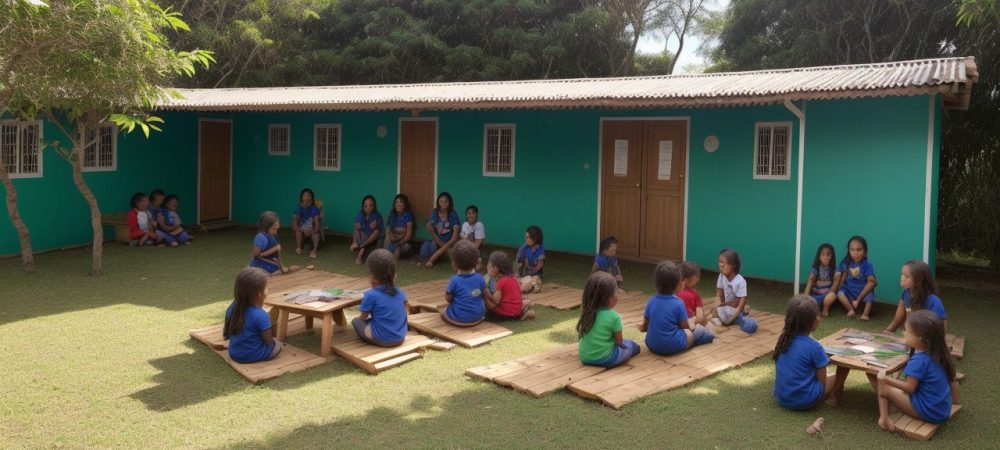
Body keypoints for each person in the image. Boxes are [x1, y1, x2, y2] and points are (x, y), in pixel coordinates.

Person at [876, 310, 960, 432]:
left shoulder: (919, 361)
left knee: (884, 385)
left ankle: (884, 419)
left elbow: (910, 388)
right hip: (942, 410)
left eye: (907, 331)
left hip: (929, 412)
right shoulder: (937, 352)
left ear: (920, 338)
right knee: (891, 381)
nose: (904, 333)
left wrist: (886, 379)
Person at [773, 295, 850, 410]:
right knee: (839, 373)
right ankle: (834, 395)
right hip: (805, 400)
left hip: (781, 397)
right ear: (813, 321)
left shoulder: (783, 340)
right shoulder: (815, 347)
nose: (820, 318)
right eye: (818, 315)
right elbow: (822, 383)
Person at [641, 260, 714, 355]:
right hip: (672, 346)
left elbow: (644, 327)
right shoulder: (678, 303)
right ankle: (702, 339)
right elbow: (685, 328)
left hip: (651, 345)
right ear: (677, 284)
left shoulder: (651, 301)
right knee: (692, 334)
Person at [577, 272, 640, 368]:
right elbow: (619, 342)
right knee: (633, 346)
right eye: (616, 292)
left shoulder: (585, 312)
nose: (618, 295)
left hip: (585, 357)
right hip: (607, 359)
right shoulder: (614, 317)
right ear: (610, 299)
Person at [223, 267, 283, 363]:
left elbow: (228, 332)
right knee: (278, 345)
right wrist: (272, 327)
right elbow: (269, 341)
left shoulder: (232, 308)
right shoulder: (261, 315)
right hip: (252, 355)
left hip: (234, 353)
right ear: (259, 295)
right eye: (266, 288)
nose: (268, 289)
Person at [352, 249, 409, 347]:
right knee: (375, 320)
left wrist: (360, 320)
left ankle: (377, 336)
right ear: (394, 276)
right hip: (400, 337)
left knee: (356, 321)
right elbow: (404, 307)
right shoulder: (399, 291)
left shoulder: (371, 295)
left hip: (385, 339)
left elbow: (363, 317)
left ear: (372, 277)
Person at [885, 260, 947, 334]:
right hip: (910, 334)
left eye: (906, 276)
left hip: (926, 336)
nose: (902, 278)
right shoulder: (906, 292)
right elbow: (898, 317)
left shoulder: (933, 301)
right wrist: (889, 330)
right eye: (902, 274)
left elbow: (942, 325)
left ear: (918, 281)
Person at [441, 240, 486, 327]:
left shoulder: (454, 280)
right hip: (478, 318)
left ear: (454, 263)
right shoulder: (480, 278)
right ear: (476, 261)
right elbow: (483, 294)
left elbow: (448, 299)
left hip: (458, 318)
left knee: (443, 313)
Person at [483, 251, 535, 321]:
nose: (488, 268)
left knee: (488, 309)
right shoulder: (512, 277)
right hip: (516, 311)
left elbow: (495, 301)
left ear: (498, 268)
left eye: (491, 266)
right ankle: (523, 313)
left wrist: (485, 294)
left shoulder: (501, 281)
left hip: (506, 314)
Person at [715, 248, 757, 334]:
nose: (720, 265)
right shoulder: (721, 276)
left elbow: (740, 303)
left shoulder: (740, 281)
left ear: (733, 265)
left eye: (723, 264)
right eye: (719, 262)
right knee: (714, 314)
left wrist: (729, 320)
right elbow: (719, 294)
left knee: (751, 326)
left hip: (736, 310)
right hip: (725, 307)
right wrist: (720, 308)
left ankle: (743, 315)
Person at [836, 235, 877, 320]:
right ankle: (850, 310)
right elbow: (839, 273)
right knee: (840, 294)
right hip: (849, 288)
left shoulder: (867, 265)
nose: (856, 253)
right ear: (849, 251)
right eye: (852, 250)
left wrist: (858, 300)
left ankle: (865, 314)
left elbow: (872, 281)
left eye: (859, 250)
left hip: (862, 289)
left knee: (870, 295)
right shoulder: (846, 262)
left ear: (865, 251)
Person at [420, 192, 460, 267]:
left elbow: (454, 238)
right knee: (425, 248)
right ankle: (441, 255)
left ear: (450, 202)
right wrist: (446, 249)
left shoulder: (452, 214)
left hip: (450, 242)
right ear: (438, 202)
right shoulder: (435, 212)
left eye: (446, 202)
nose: (443, 204)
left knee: (458, 249)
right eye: (441, 201)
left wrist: (433, 259)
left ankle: (438, 257)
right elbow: (431, 231)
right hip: (438, 241)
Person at [805, 243, 840, 316]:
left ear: (832, 256)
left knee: (832, 295)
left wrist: (829, 293)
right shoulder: (816, 268)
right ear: (819, 256)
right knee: (808, 300)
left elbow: (834, 287)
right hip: (815, 294)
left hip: (827, 295)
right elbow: (810, 282)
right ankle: (814, 307)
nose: (825, 257)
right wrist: (805, 297)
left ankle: (825, 309)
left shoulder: (835, 269)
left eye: (828, 255)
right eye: (823, 254)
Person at [350, 195, 383, 264]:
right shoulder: (361, 214)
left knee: (376, 231)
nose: (368, 208)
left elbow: (378, 232)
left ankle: (361, 249)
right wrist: (368, 227)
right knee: (356, 228)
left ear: (374, 206)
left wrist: (365, 228)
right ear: (363, 206)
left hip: (370, 241)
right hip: (361, 237)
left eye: (371, 205)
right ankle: (356, 244)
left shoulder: (377, 216)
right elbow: (358, 226)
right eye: (365, 206)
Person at [677, 261, 709, 328]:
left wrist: (700, 317)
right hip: (687, 321)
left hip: (688, 321)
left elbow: (699, 309)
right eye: (697, 275)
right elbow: (699, 311)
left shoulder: (693, 292)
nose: (698, 278)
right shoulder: (679, 292)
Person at [292, 188, 322, 259]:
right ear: (301, 198)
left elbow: (317, 228)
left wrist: (311, 232)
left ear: (311, 198)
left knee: (316, 234)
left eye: (308, 196)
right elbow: (294, 226)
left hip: (311, 231)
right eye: (304, 196)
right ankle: (299, 248)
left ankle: (314, 251)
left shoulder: (315, 209)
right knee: (298, 232)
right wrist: (302, 230)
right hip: (302, 231)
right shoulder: (298, 208)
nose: (306, 198)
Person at [384, 194, 415, 259]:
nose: (399, 204)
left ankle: (393, 258)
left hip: (403, 242)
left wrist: (399, 243)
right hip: (392, 240)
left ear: (405, 205)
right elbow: (388, 230)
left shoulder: (408, 216)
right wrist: (392, 236)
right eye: (397, 202)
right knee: (387, 242)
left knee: (398, 248)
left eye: (401, 202)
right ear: (394, 205)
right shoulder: (392, 214)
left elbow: (408, 236)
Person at [516, 225, 546, 293]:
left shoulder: (540, 248)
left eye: (528, 238)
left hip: (536, 274)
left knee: (534, 280)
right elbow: (517, 263)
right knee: (523, 280)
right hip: (524, 273)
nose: (526, 240)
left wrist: (531, 273)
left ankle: (524, 288)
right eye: (526, 238)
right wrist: (517, 276)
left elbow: (540, 265)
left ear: (535, 238)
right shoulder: (523, 248)